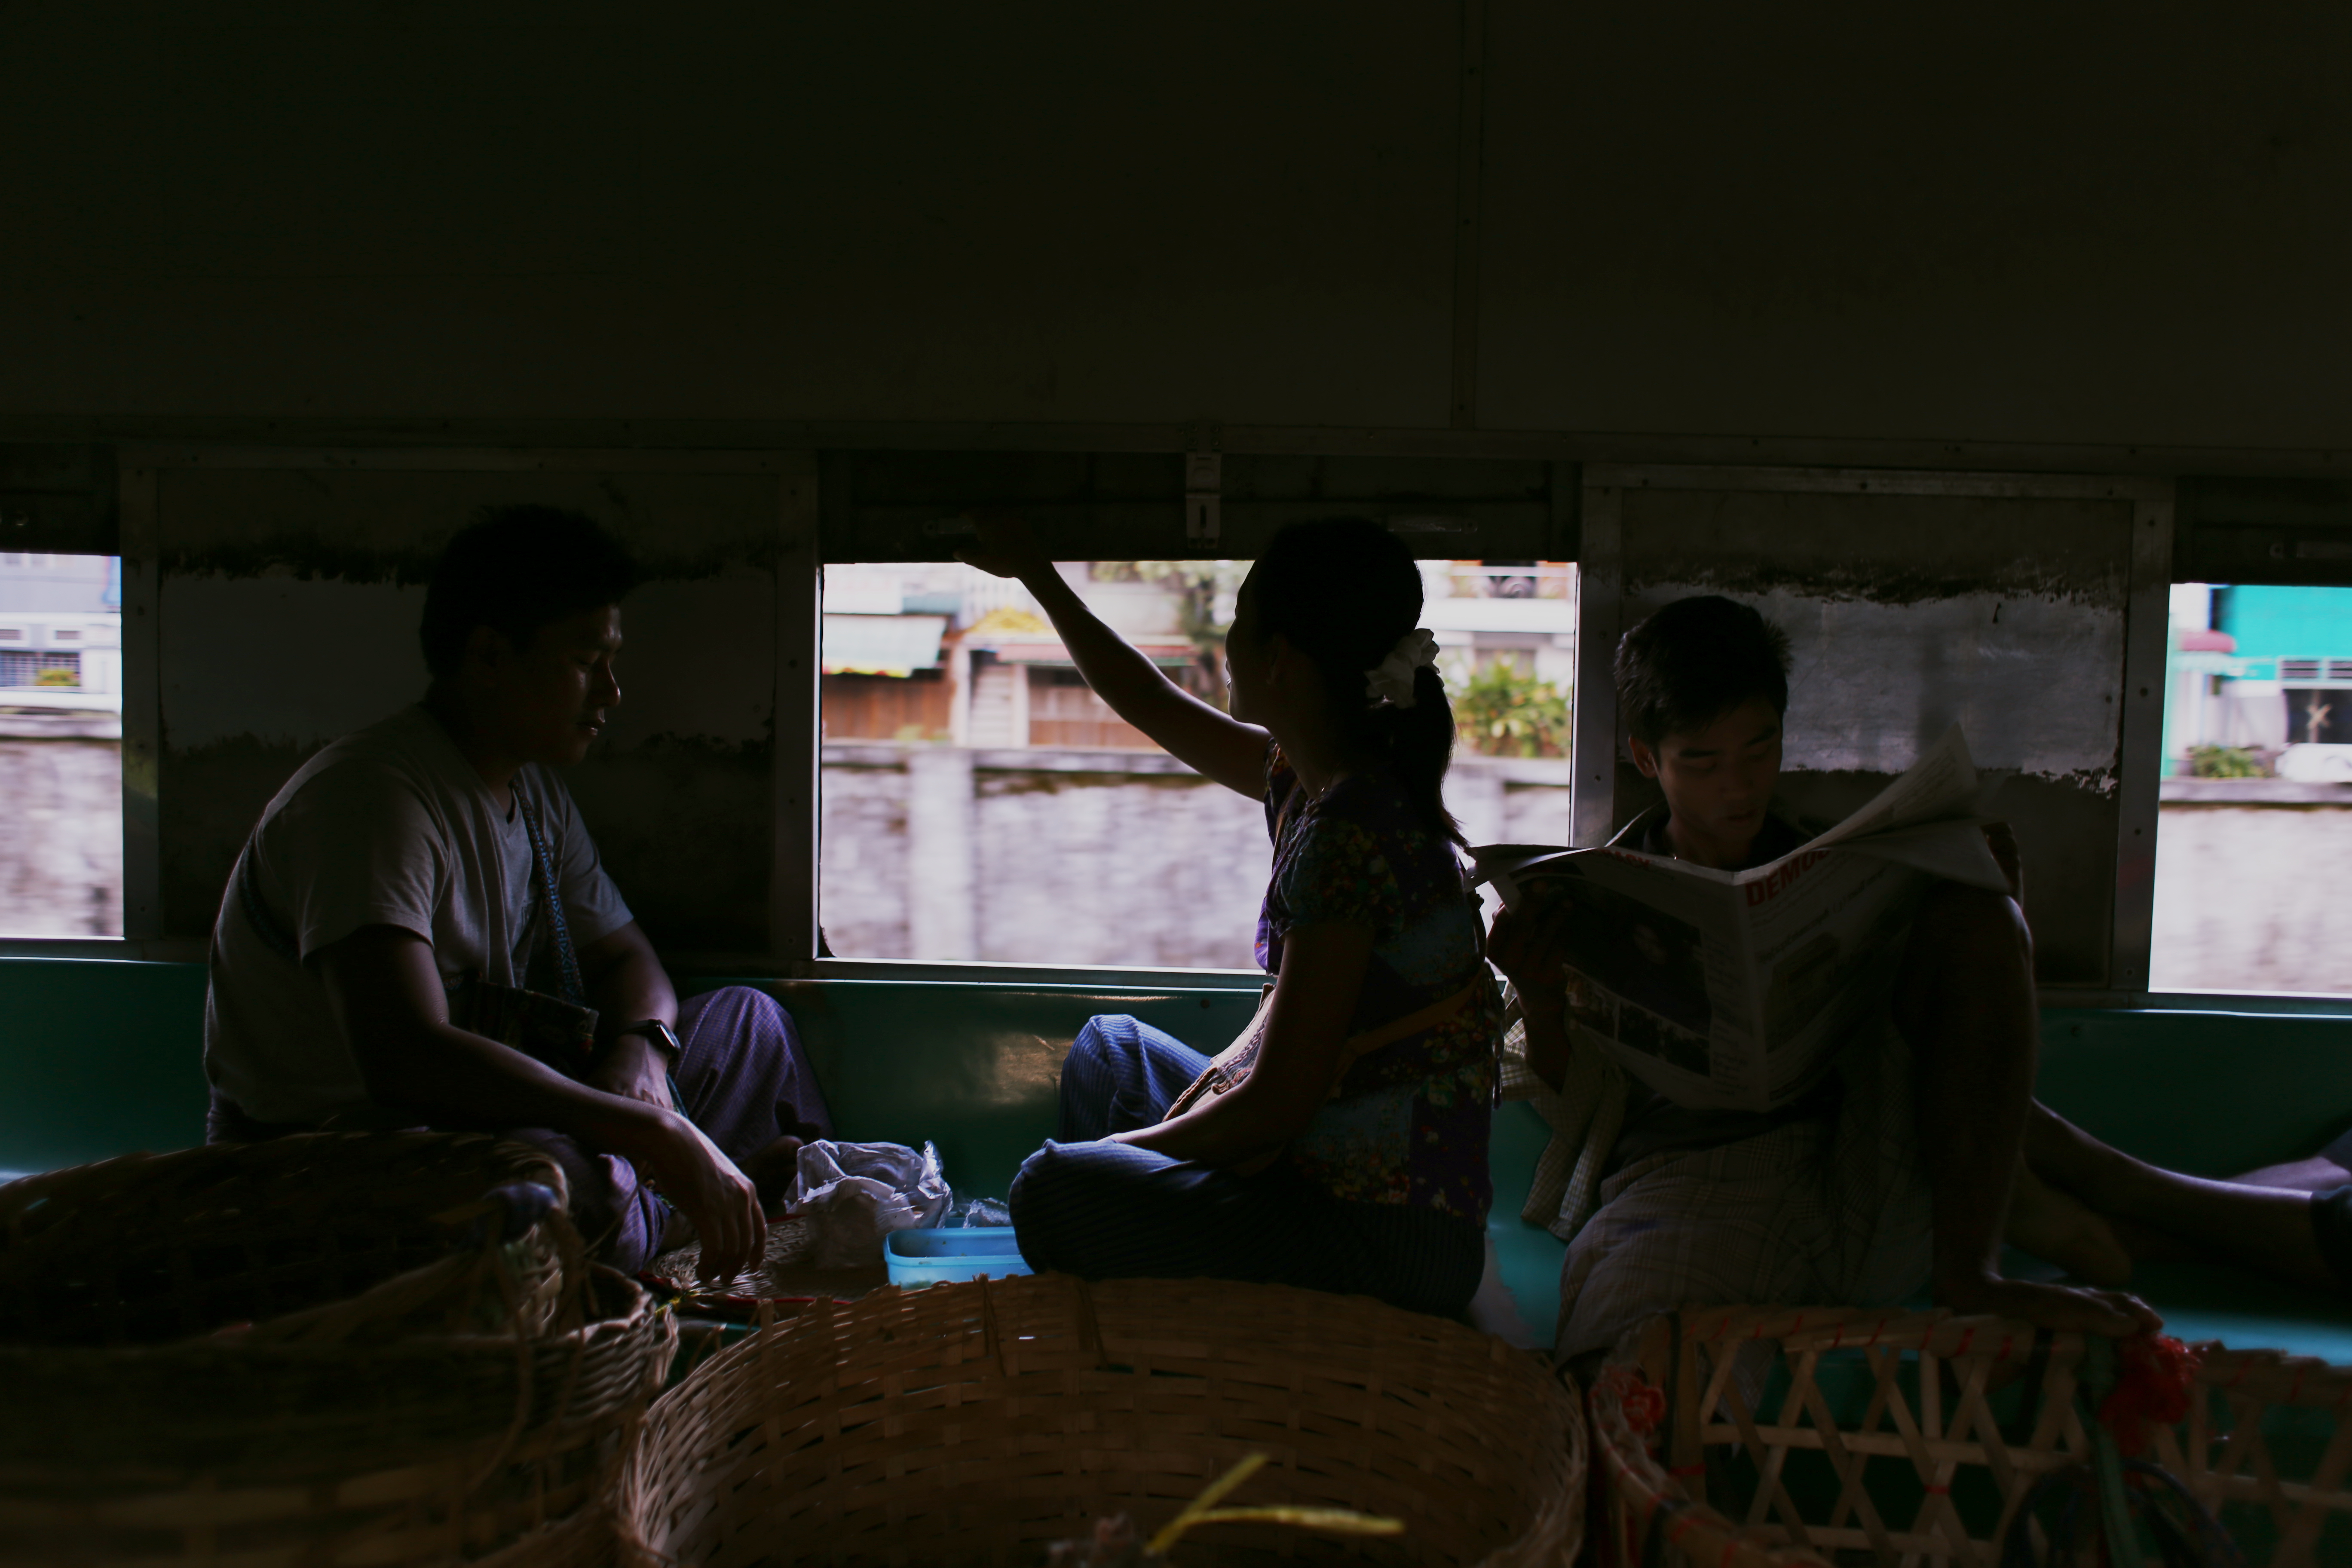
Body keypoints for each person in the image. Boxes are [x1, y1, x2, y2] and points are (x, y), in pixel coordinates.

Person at [1494, 594, 2352, 1362]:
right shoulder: (1601, 896)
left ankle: (1973, 1268)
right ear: (1648, 759)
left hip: (1857, 1160)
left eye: (1759, 750)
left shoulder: (1838, 867)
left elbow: (1942, 1024)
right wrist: (1539, 996)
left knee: (1974, 911)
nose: (1739, 787)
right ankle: (2059, 1185)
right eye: (1703, 762)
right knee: (1630, 1352)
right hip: (1687, 1186)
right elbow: (1574, 1112)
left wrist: (1985, 891)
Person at [202, 505, 830, 1281]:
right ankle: (684, 1208)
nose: (613, 691)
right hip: (350, 1155)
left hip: (500, 1112)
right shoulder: (373, 800)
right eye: (586, 661)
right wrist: (650, 1133)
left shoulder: (529, 791)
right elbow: (405, 1058)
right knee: (571, 1185)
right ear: (490, 656)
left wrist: (643, 1053)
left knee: (751, 1024)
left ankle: (684, 1206)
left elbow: (628, 956)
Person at [962, 518, 1504, 1317]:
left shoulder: (1353, 837)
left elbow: (1277, 1104)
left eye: (1240, 620)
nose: (1225, 642)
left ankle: (1137, 1337)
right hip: (1313, 1163)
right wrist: (1037, 575)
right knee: (1110, 1053)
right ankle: (1138, 1299)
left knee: (1053, 1187)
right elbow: (1149, 699)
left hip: (1385, 1237)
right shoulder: (1314, 779)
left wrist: (1112, 1157)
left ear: (1279, 658)